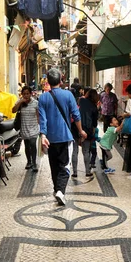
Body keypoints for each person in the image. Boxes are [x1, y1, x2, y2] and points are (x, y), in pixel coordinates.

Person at [39, 68, 87, 205]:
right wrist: (81, 130)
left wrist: (43, 135)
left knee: (54, 165)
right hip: (65, 137)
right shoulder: (68, 95)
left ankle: (56, 190)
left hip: (50, 138)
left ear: (47, 81)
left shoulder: (43, 98)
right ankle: (60, 191)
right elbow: (76, 115)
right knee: (65, 165)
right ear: (61, 80)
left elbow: (42, 120)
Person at [72, 88, 99, 178]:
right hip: (87, 130)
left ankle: (75, 172)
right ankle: (87, 171)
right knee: (86, 151)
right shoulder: (94, 107)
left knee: (75, 151)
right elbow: (95, 123)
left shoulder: (81, 100)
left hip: (76, 127)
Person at [12, 86, 39, 172]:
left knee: (33, 144)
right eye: (24, 94)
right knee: (27, 145)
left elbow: (38, 116)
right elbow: (13, 110)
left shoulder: (36, 103)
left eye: (27, 94)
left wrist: (41, 127)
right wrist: (20, 102)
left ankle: (34, 163)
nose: (26, 95)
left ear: (31, 94)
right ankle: (29, 162)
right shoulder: (20, 102)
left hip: (34, 127)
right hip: (24, 127)